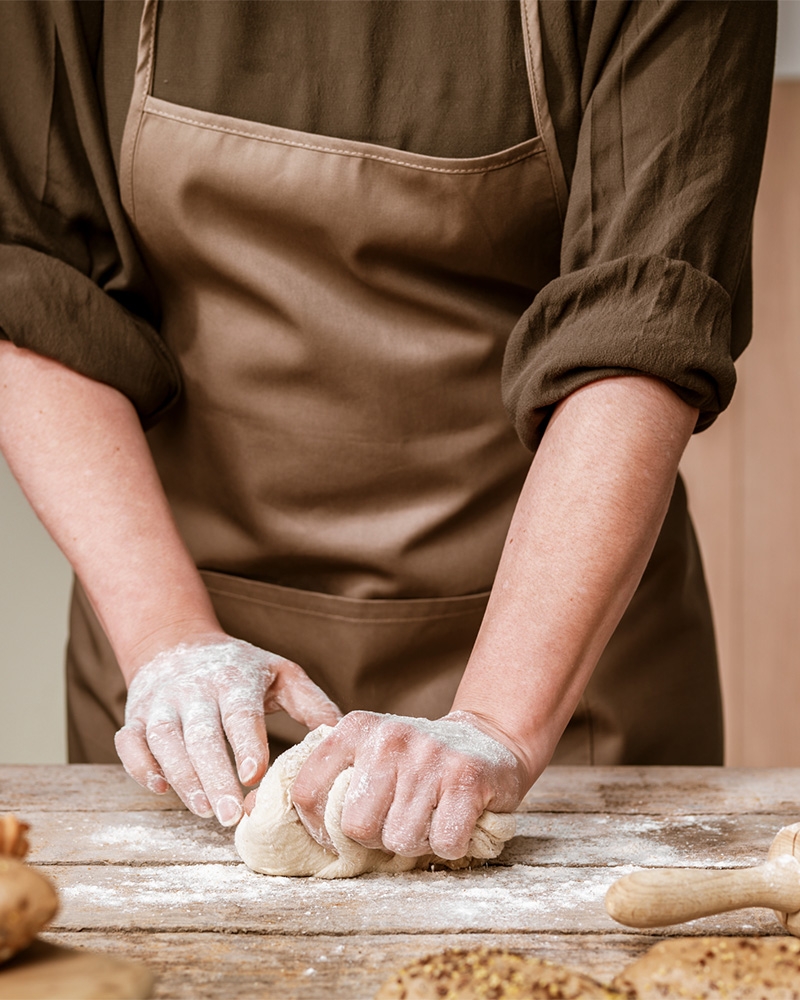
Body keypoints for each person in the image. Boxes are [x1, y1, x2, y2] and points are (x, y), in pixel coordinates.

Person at [0, 1, 775, 860]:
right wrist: (166, 639)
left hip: (557, 656)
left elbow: (644, 321)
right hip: (186, 660)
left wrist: (496, 723)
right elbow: (27, 272)